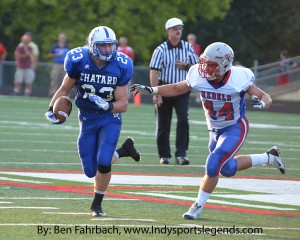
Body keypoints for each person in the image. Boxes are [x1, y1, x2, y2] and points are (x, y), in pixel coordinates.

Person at [130, 42, 286, 220]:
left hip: (234, 126)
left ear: (225, 65)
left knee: (213, 163)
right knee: (227, 169)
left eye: (211, 65)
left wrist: (262, 102)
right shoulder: (198, 74)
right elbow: (176, 88)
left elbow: (265, 96)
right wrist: (153, 89)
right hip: (214, 129)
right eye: (205, 62)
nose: (205, 68)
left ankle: (197, 205)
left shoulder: (238, 78)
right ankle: (269, 157)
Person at [45, 26, 141, 217]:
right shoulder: (78, 59)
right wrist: (51, 109)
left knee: (104, 161)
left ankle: (97, 204)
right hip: (87, 118)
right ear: (92, 45)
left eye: (110, 46)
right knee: (90, 170)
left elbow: (123, 104)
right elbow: (64, 89)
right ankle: (123, 151)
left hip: (109, 119)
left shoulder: (121, 64)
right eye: (102, 46)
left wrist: (108, 106)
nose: (107, 50)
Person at [149, 17, 199, 165]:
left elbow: (197, 67)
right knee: (163, 123)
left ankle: (181, 154)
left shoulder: (188, 47)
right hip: (164, 88)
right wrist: (156, 92)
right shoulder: (160, 49)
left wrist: (187, 66)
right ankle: (164, 155)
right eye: (174, 28)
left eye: (180, 28)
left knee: (183, 120)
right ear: (168, 31)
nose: (178, 31)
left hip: (182, 89)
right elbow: (153, 72)